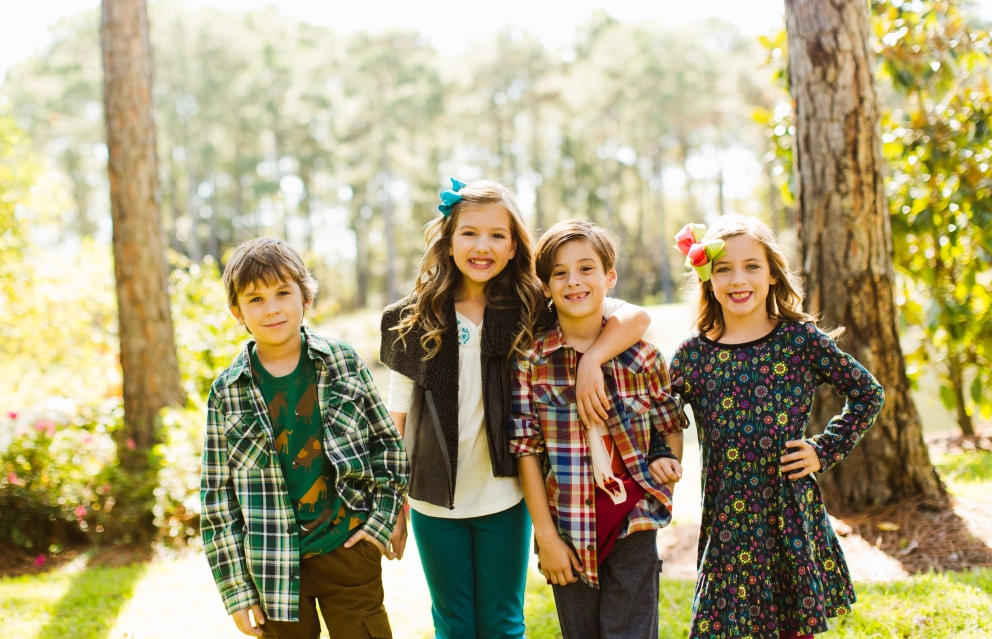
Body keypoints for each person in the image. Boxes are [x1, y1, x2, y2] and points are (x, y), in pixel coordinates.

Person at [379, 179, 652, 639]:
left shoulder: (530, 306)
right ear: (448, 240)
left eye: (497, 235)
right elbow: (397, 413)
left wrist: (592, 361)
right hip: (431, 500)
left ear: (513, 246)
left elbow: (635, 317)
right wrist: (392, 503)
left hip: (505, 495)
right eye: (469, 233)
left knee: (504, 623)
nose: (482, 246)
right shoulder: (414, 317)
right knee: (453, 625)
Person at [669, 215, 885, 639]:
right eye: (723, 268)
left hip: (786, 509)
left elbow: (867, 392)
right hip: (728, 518)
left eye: (751, 265)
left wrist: (824, 449)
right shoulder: (693, 355)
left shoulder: (799, 341)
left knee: (792, 626)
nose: (738, 278)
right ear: (707, 278)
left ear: (771, 273)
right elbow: (661, 419)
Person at [201, 237, 408, 639]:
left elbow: (387, 446)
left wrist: (381, 521)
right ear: (236, 312)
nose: (272, 307)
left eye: (282, 293)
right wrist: (237, 591)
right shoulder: (227, 392)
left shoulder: (342, 362)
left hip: (348, 549)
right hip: (272, 567)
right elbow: (217, 497)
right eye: (255, 299)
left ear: (305, 298)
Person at [509, 219, 686, 639]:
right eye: (560, 273)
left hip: (634, 521)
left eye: (586, 268)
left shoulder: (643, 359)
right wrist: (547, 537)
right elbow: (525, 451)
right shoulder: (533, 363)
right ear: (546, 286)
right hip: (568, 526)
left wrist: (666, 468)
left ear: (610, 276)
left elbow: (671, 423)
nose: (574, 281)